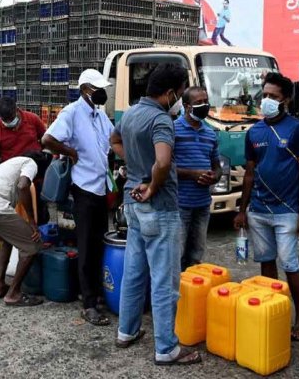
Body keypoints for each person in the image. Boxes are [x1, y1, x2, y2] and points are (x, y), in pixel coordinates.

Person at [110, 63, 202, 365]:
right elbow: (163, 162)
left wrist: (137, 167)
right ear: (171, 92)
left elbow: (114, 141)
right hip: (158, 207)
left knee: (135, 273)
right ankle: (166, 349)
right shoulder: (161, 119)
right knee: (164, 281)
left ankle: (126, 331)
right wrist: (152, 183)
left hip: (133, 205)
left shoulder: (131, 112)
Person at [233, 72, 299, 341]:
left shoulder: (297, 130)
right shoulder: (254, 132)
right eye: (265, 95)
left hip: (287, 212)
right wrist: (242, 210)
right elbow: (249, 173)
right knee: (266, 263)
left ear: (286, 100)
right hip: (257, 211)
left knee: (290, 263)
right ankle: (272, 308)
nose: (267, 100)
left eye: (273, 97)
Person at [42, 69, 114, 326]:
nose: (102, 93)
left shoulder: (100, 115)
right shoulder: (71, 112)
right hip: (83, 188)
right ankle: (88, 304)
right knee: (85, 246)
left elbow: (112, 139)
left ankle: (96, 293)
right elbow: (47, 139)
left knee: (99, 243)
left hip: (101, 186)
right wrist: (70, 152)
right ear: (85, 89)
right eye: (97, 89)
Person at [0, 152, 50, 306]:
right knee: (32, 246)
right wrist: (32, 222)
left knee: (7, 240)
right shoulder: (30, 162)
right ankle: (13, 294)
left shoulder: (10, 165)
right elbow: (23, 185)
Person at [174, 87, 220, 270]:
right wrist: (192, 174)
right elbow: (164, 166)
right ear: (186, 106)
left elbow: (217, 166)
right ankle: (175, 296)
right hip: (180, 204)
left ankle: (191, 294)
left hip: (202, 205)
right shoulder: (173, 129)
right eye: (198, 102)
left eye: (206, 101)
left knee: (196, 255)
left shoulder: (210, 133)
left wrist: (214, 176)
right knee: (177, 255)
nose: (204, 105)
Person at [0, 97, 45, 168]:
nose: (8, 122)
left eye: (11, 118)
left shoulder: (32, 119)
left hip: (35, 167)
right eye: (5, 119)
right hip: (11, 170)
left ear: (17, 110)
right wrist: (0, 171)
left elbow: (45, 139)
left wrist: (37, 152)